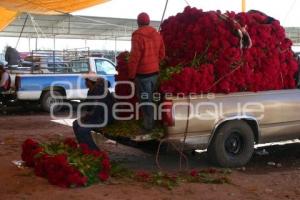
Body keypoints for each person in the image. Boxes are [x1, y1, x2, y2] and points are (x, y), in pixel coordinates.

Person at [128, 12, 165, 137]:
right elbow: (162, 53)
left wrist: (131, 75)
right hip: (155, 74)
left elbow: (134, 58)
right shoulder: (157, 34)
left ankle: (149, 126)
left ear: (138, 22)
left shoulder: (137, 36)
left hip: (143, 75)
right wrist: (154, 62)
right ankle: (154, 122)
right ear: (148, 22)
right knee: (152, 99)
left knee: (145, 100)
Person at [73, 76, 114, 150]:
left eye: (86, 81)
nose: (85, 83)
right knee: (76, 123)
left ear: (90, 82)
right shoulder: (91, 90)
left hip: (104, 118)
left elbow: (97, 109)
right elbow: (88, 106)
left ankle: (94, 151)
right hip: (97, 117)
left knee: (82, 129)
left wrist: (87, 118)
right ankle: (84, 147)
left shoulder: (100, 91)